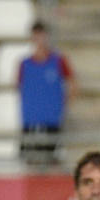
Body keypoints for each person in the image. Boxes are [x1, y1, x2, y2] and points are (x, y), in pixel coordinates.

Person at [18, 21, 75, 168]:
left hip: (52, 119)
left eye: (42, 36)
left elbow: (72, 82)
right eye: (36, 36)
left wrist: (64, 103)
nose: (39, 40)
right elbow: (18, 86)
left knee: (51, 160)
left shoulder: (59, 61)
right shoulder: (24, 64)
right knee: (30, 159)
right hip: (30, 120)